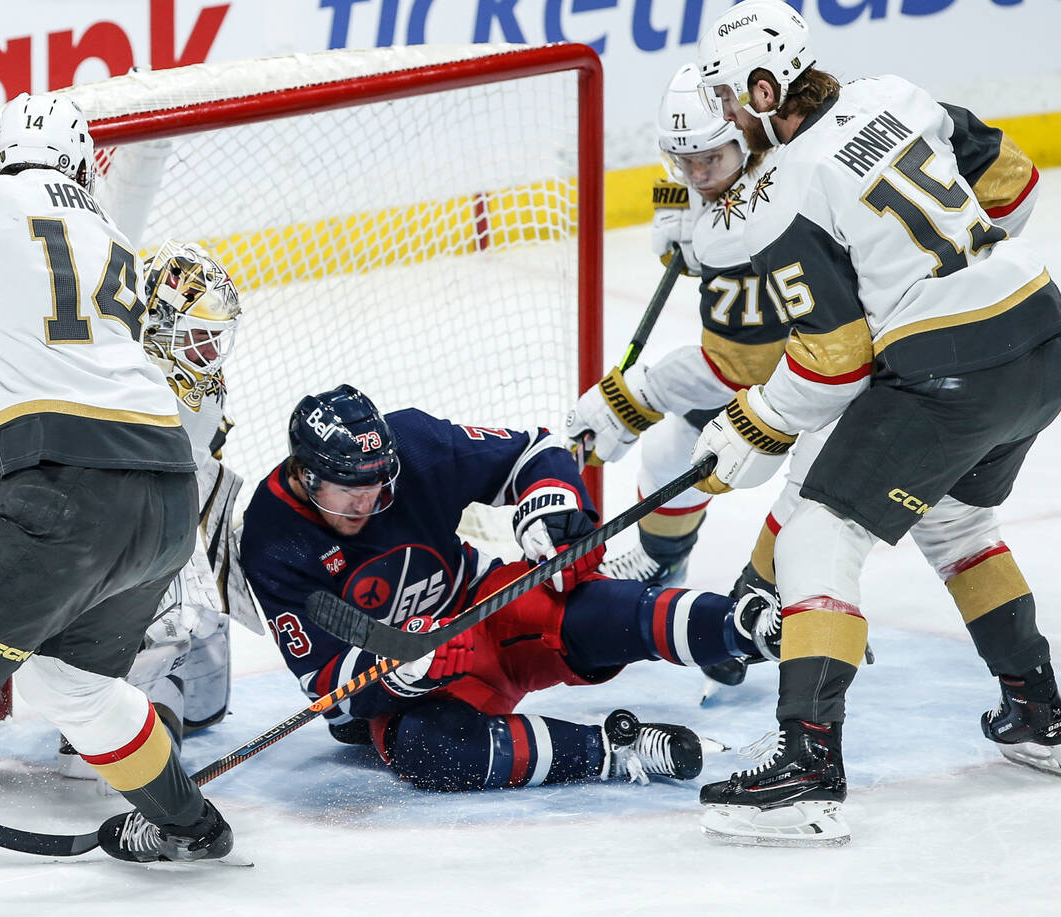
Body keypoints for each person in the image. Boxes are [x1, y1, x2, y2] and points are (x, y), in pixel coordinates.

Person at [689, 0, 1060, 845]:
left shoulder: (787, 185)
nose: (724, 115)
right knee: (960, 520)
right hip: (1042, 330)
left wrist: (752, 423)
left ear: (763, 85)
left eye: (729, 96)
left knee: (819, 533)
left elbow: (834, 359)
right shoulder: (894, 91)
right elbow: (1015, 184)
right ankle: (1040, 713)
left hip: (952, 371)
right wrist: (942, 278)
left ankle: (805, 773)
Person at [0, 92, 232, 863]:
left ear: (0, 155)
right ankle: (191, 825)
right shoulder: (113, 241)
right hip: (166, 498)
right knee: (73, 688)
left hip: (66, 491)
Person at [239, 384, 783, 792]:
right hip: (413, 690)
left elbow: (531, 452)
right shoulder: (272, 541)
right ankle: (617, 752)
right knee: (434, 754)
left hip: (482, 606)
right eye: (347, 492)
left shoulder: (414, 446)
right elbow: (326, 693)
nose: (365, 504)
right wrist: (401, 666)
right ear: (304, 474)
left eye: (377, 487)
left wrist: (551, 503)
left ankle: (746, 627)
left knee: (579, 604)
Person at [564, 63, 796, 693]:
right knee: (674, 455)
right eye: (681, 160)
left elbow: (740, 365)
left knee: (812, 507)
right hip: (778, 370)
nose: (695, 175)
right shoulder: (703, 179)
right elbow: (682, 242)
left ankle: (779, 615)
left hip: (826, 384)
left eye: (710, 159)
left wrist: (629, 399)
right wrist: (683, 225)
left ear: (747, 137)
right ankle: (667, 567)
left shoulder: (784, 186)